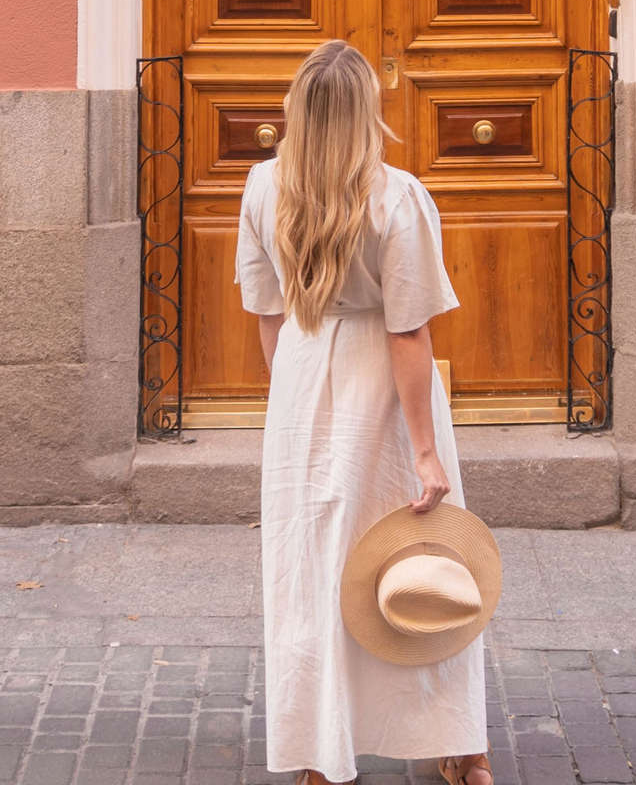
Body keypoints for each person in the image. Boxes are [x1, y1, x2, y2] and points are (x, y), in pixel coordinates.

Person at [236, 39, 493, 785]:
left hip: (302, 375)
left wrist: (290, 405)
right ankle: (458, 745)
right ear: (363, 116)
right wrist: (424, 451)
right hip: (381, 390)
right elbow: (407, 330)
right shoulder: (396, 196)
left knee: (314, 574)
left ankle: (321, 753)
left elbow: (268, 314)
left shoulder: (260, 188)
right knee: (424, 563)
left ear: (296, 113)